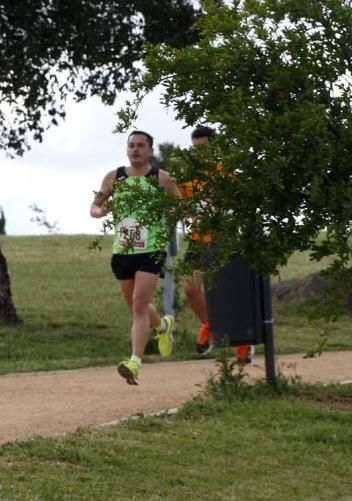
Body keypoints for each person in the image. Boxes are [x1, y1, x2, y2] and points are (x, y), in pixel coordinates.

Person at [90, 129, 181, 385]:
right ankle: (163, 326)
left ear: (150, 151)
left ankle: (135, 363)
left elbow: (181, 205)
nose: (135, 150)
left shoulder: (162, 179)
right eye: (131, 145)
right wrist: (101, 210)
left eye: (141, 146)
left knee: (140, 303)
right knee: (134, 306)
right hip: (122, 251)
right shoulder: (114, 177)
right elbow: (95, 206)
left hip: (151, 250)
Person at [179, 125, 254, 364]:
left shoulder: (229, 172)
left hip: (226, 238)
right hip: (199, 239)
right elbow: (181, 203)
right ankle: (210, 325)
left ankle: (243, 344)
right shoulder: (190, 175)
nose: (200, 155)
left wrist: (221, 204)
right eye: (196, 150)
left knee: (228, 293)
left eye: (204, 149)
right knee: (191, 288)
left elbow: (243, 203)